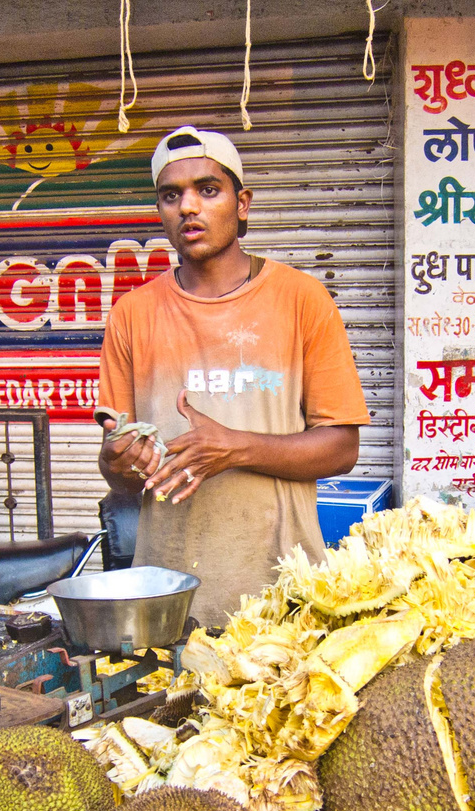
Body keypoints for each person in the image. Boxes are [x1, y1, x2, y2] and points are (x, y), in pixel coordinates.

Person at [96, 126, 370, 625]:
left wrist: (235, 448)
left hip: (287, 596)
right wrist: (119, 461)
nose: (188, 207)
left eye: (208, 189)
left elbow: (342, 448)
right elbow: (122, 481)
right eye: (170, 195)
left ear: (242, 203)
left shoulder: (301, 299)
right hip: (170, 601)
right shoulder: (131, 315)